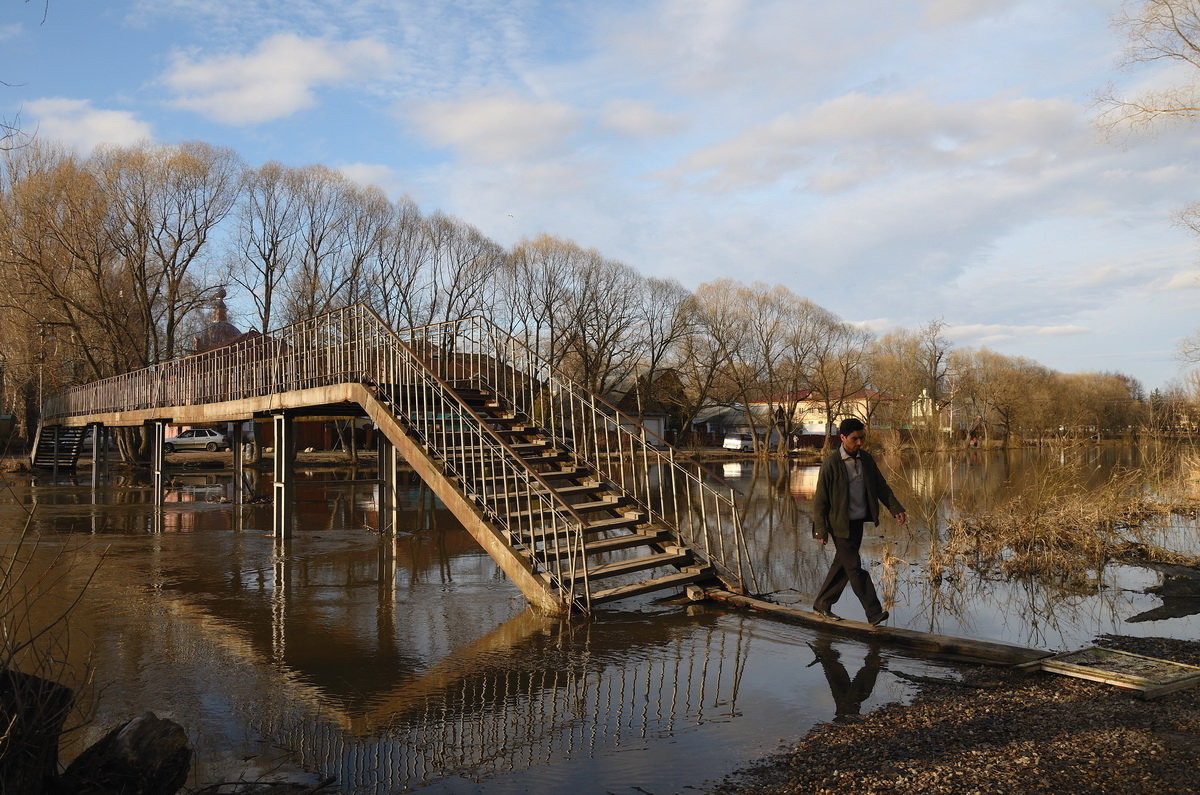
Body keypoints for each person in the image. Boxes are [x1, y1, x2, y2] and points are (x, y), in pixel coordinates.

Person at [811, 417, 906, 625]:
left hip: (857, 522)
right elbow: (820, 500)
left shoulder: (866, 459)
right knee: (854, 567)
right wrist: (820, 530)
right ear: (843, 437)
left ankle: (822, 603)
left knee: (843, 565)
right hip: (839, 524)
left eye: (862, 438)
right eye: (855, 439)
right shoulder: (832, 464)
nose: (859, 442)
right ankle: (873, 613)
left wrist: (895, 508)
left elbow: (881, 486)